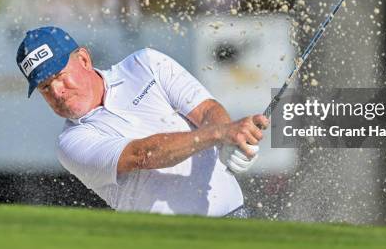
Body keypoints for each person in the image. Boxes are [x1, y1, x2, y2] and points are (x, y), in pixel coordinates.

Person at [16, 26, 268, 217]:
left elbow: (206, 110)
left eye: (60, 76)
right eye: (45, 87)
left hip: (236, 217)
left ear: (83, 59)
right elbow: (142, 155)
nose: (57, 91)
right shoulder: (71, 143)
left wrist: (230, 142)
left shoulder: (145, 64)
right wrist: (220, 134)